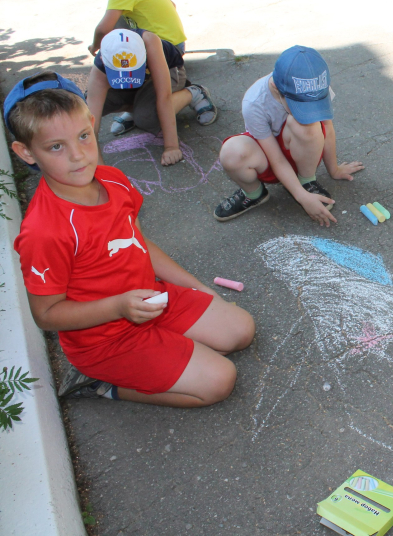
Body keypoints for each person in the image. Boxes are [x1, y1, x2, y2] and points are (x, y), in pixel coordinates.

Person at [5, 72, 254, 407]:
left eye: (82, 136)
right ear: (26, 152)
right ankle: (102, 383)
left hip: (148, 301)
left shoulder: (113, 180)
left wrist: (197, 287)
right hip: (104, 339)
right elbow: (46, 314)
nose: (78, 156)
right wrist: (117, 307)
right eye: (56, 147)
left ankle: (166, 349)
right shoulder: (44, 230)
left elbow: (138, 242)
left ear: (92, 124)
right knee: (220, 381)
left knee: (241, 330)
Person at [214, 45, 363, 225]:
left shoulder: (315, 84)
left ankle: (306, 180)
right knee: (231, 152)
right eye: (301, 105)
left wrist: (334, 169)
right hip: (269, 156)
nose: (309, 110)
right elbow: (275, 158)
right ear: (275, 88)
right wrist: (302, 198)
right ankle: (254, 194)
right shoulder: (254, 102)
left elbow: (327, 127)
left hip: (302, 149)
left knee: (305, 124)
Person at [85, 28, 216, 165]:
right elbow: (90, 119)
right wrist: (99, 168)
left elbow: (163, 97)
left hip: (169, 72)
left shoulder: (150, 42)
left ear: (144, 54)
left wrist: (171, 147)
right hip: (140, 82)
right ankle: (137, 107)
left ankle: (194, 93)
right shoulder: (102, 61)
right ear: (102, 59)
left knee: (147, 118)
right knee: (88, 104)